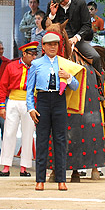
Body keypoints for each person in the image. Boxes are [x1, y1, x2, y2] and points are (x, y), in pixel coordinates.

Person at [26, 32, 79, 191]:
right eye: (49, 44)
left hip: (59, 101)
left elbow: (75, 86)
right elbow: (29, 90)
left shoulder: (64, 63)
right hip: (42, 101)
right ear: (43, 46)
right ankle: (40, 179)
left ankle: (61, 179)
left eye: (55, 44)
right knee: (42, 140)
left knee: (60, 141)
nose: (52, 47)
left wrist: (68, 77)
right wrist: (31, 108)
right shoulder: (36, 64)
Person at [0, 41, 39, 177]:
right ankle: (6, 166)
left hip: (29, 103)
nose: (33, 57)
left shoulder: (36, 68)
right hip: (13, 101)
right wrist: (2, 106)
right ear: (24, 54)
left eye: (35, 55)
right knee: (8, 133)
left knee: (28, 134)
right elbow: (3, 87)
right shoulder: (11, 66)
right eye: (31, 54)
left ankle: (24, 168)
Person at [45, 0, 102, 76]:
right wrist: (52, 15)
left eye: (63, 0)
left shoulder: (80, 3)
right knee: (38, 59)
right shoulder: (52, 4)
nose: (61, 3)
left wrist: (76, 37)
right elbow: (44, 25)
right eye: (59, 1)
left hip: (76, 40)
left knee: (95, 57)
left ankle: (100, 81)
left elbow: (87, 25)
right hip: (56, 41)